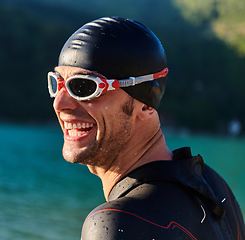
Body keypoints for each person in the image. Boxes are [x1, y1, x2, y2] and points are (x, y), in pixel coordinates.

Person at [47, 16, 245, 239]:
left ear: (146, 104)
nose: (59, 103)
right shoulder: (214, 187)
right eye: (58, 83)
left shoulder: (117, 224)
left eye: (83, 86)